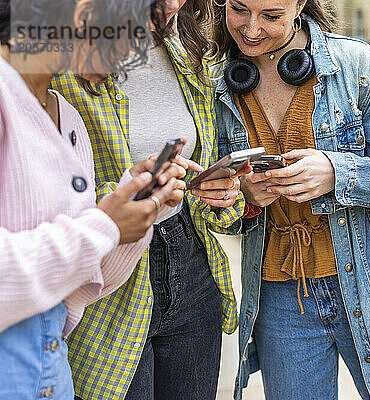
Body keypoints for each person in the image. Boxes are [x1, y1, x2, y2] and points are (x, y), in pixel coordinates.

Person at [211, 0, 370, 399]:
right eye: (238, 9)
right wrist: (243, 196)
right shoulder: (213, 85)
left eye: (271, 16)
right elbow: (212, 210)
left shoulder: (356, 64)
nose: (251, 29)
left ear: (300, 4)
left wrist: (338, 173)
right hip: (281, 299)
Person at [51, 1, 250, 399]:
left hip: (192, 263)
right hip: (111, 276)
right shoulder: (62, 59)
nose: (174, 5)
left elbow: (203, 160)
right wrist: (125, 195)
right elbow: (43, 190)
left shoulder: (185, 47)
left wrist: (223, 194)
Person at [0, 0, 192, 398]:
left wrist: (132, 215)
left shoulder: (68, 119)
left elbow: (74, 282)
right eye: (134, 32)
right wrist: (103, 225)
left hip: (51, 374)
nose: (133, 54)